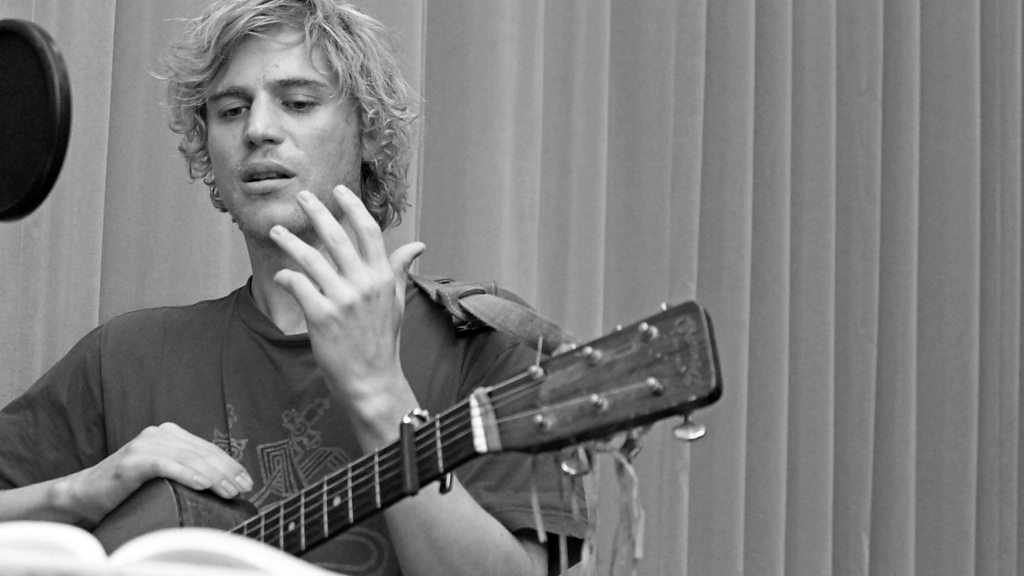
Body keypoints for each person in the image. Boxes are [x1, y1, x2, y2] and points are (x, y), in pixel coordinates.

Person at [0, 1, 586, 574]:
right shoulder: (126, 358)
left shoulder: (485, 343)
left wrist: (381, 397)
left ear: (371, 133)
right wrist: (80, 491)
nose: (258, 129)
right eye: (231, 111)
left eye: (298, 102)